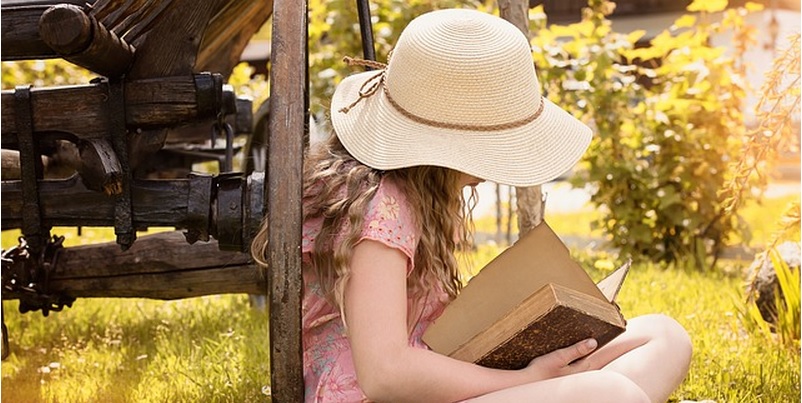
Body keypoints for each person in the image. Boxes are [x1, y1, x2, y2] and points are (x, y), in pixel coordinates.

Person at [252, 8, 691, 403]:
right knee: (609, 392)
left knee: (664, 337)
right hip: (393, 397)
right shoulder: (381, 207)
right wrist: (526, 380)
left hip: (447, 372)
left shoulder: (415, 195)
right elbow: (385, 375)